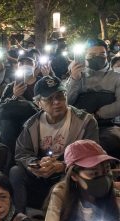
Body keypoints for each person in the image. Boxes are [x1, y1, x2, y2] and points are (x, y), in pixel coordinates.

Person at [10, 76, 99, 213]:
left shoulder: (85, 122)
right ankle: (20, 216)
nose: (57, 102)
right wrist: (35, 165)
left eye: (60, 96)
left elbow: (92, 157)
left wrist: (63, 166)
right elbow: (22, 153)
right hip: (41, 175)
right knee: (15, 172)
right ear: (38, 103)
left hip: (68, 173)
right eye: (49, 99)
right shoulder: (32, 124)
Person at [66, 38, 120, 159]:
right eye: (92, 55)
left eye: (102, 54)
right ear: (85, 56)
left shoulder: (116, 77)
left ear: (107, 56)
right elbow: (67, 101)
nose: (98, 57)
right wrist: (75, 79)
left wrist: (98, 114)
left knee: (106, 142)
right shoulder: (78, 75)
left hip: (106, 125)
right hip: (78, 125)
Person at [44, 140, 120, 221]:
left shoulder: (116, 195)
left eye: (106, 170)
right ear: (74, 175)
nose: (104, 179)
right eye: (94, 173)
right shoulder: (61, 192)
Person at [0, 52, 43, 153]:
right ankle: (9, 157)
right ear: (17, 66)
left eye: (28, 62)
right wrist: (14, 95)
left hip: (35, 118)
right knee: (6, 122)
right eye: (21, 63)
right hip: (13, 120)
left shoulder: (41, 83)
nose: (24, 65)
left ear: (35, 65)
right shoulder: (11, 86)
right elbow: (1, 108)